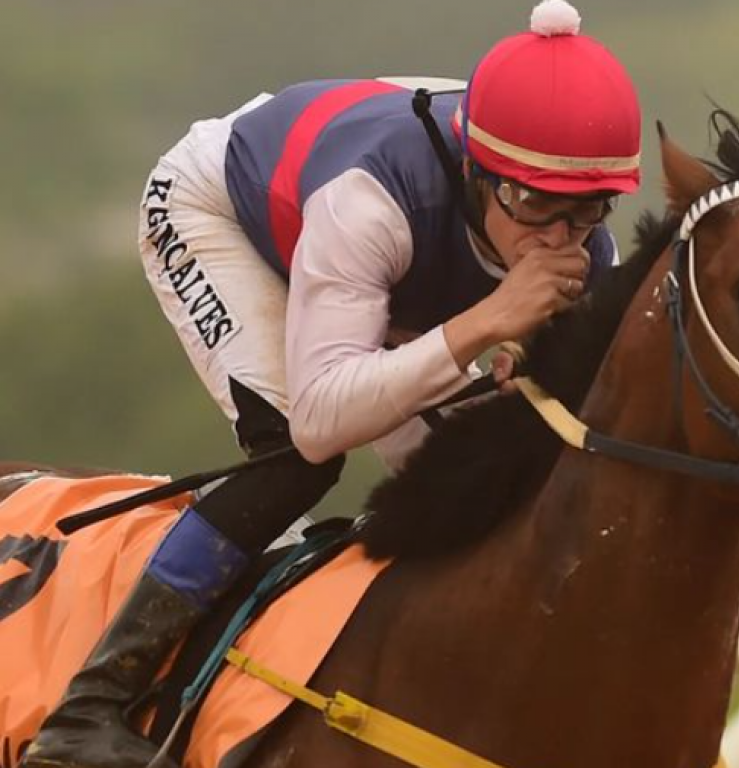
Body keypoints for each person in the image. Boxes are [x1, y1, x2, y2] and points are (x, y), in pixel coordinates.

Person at [24, 1, 641, 765]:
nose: (555, 236)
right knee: (295, 459)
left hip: (381, 275)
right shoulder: (371, 200)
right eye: (533, 203)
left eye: (582, 212)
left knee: (471, 473)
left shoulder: (589, 250)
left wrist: (519, 375)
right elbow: (321, 418)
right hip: (226, 214)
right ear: (478, 170)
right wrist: (485, 324)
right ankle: (88, 707)